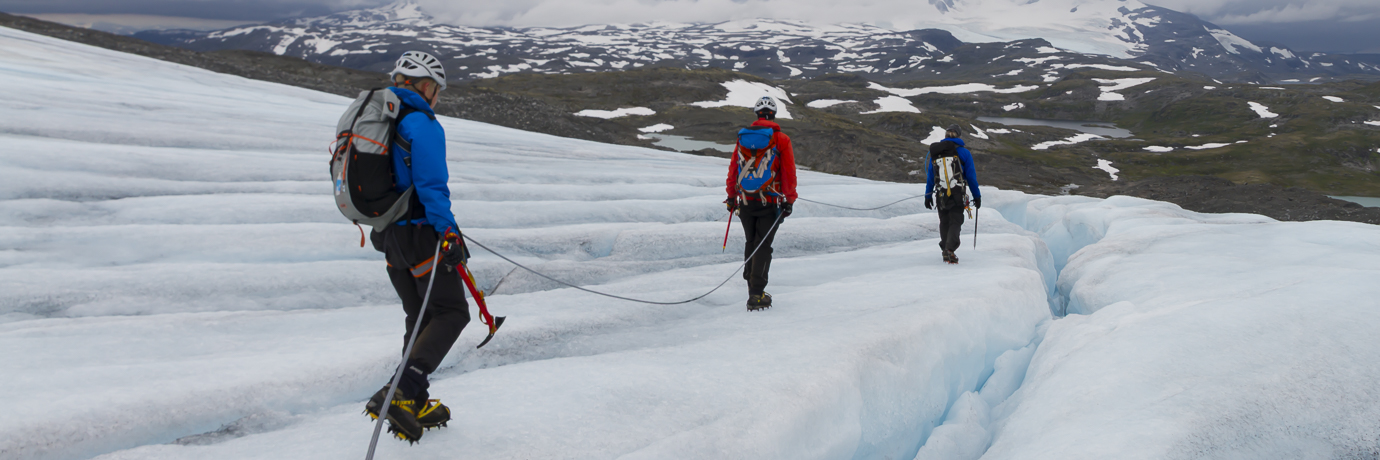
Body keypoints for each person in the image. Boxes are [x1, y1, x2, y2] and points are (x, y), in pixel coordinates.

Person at [362, 51, 468, 442]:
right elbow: (432, 186)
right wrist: (449, 232)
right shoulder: (421, 123)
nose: (436, 96)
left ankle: (413, 399)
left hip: (389, 237)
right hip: (421, 233)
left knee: (420, 317)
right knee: (452, 312)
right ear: (426, 86)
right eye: (436, 89)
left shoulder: (382, 118)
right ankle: (401, 390)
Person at [726, 96, 798, 311]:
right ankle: (757, 294)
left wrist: (731, 197)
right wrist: (789, 199)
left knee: (751, 241)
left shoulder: (742, 138)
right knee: (763, 244)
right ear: (773, 115)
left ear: (757, 115)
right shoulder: (781, 139)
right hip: (770, 200)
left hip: (746, 200)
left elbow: (733, 170)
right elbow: (788, 172)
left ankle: (751, 281)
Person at [924, 124, 981, 264]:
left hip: (940, 193)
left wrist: (928, 195)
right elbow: (971, 177)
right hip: (957, 192)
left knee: (944, 221)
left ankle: (945, 249)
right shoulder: (963, 153)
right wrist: (977, 196)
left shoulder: (935, 153)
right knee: (956, 220)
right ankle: (950, 250)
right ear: (959, 135)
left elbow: (931, 176)